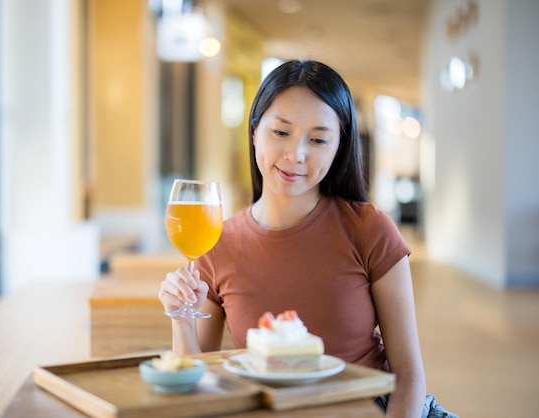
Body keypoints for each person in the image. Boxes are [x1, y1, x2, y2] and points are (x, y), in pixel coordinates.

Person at [159, 59, 456, 418]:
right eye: (281, 132)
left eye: (317, 139)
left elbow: (408, 376)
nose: (295, 155)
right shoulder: (217, 244)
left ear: (338, 149)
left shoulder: (369, 229)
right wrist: (180, 317)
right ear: (254, 131)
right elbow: (201, 383)